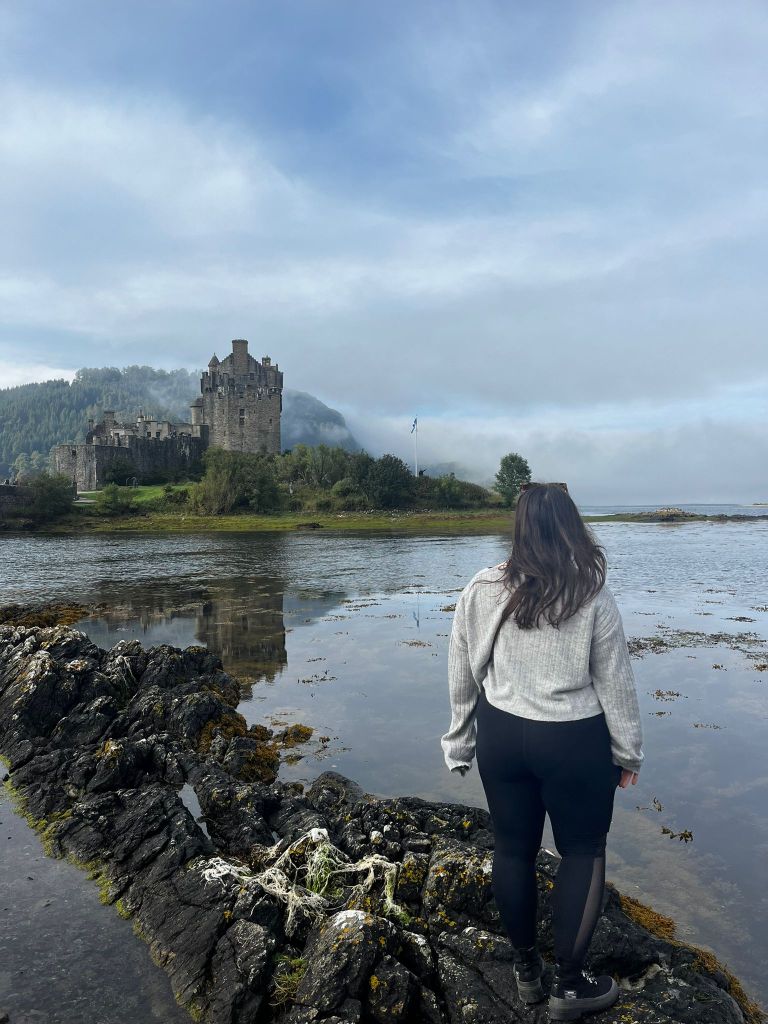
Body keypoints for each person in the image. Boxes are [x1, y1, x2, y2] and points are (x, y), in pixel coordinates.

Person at [441, 482, 644, 1021]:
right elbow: (616, 681)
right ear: (571, 526)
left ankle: (526, 972)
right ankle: (570, 987)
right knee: (582, 850)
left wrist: (459, 739)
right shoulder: (590, 593)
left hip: (502, 735)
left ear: (519, 527)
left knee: (511, 850)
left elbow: (461, 665)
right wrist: (627, 752)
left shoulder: (481, 588)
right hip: (572, 740)